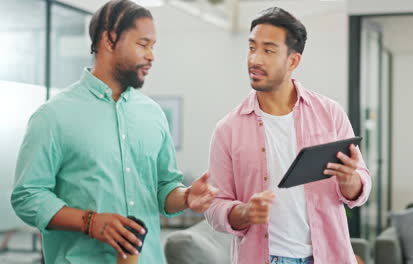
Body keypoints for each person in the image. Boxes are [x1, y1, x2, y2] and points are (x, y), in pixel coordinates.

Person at [10, 1, 218, 263]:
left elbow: (164, 189)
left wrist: (186, 197)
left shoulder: (152, 115)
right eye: (143, 44)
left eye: (153, 47)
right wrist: (90, 222)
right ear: (110, 40)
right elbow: (27, 196)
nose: (151, 56)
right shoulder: (53, 116)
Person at [204, 7, 371, 264]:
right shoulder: (228, 129)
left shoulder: (330, 113)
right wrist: (244, 212)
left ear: (293, 61)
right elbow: (215, 207)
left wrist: (350, 181)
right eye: (251, 48)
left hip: (327, 255)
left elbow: (361, 183)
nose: (255, 59)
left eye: (268, 50)